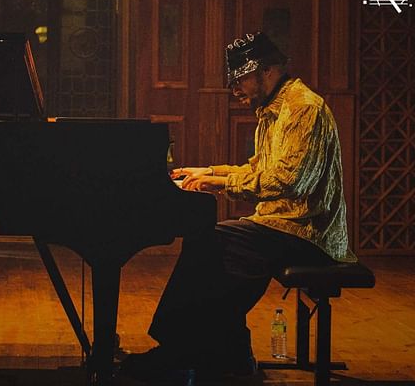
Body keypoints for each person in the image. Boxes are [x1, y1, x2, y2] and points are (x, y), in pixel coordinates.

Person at [119, 32, 357, 383]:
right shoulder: (275, 109)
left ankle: (182, 352)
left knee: (214, 242)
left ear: (269, 70)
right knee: (213, 249)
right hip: (283, 225)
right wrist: (210, 172)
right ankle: (220, 354)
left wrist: (220, 184)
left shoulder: (303, 108)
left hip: (310, 233)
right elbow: (260, 169)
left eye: (241, 79)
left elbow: (289, 181)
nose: (235, 89)